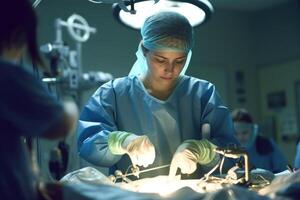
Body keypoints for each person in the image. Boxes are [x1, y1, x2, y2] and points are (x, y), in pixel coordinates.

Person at [77, 11, 239, 179]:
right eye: (160, 60)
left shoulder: (203, 93)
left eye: (179, 61)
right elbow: (89, 142)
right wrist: (122, 141)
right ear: (144, 51)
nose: (170, 69)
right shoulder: (113, 93)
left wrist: (203, 150)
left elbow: (231, 150)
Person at [0, 0, 78, 199]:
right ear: (18, 34)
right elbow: (59, 125)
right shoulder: (7, 74)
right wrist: (69, 103)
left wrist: (33, 183)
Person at [231, 108, 287, 173]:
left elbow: (283, 169)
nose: (240, 137)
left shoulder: (267, 144)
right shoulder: (228, 148)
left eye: (244, 133)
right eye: (236, 133)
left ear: (252, 129)